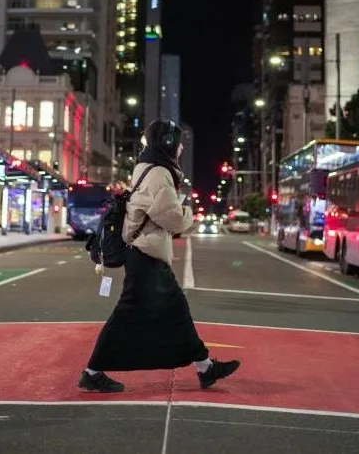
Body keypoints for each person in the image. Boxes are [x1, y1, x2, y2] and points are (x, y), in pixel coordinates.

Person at [78, 120, 241, 393]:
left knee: (176, 311)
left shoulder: (148, 168)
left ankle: (205, 368)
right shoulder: (159, 174)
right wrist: (189, 213)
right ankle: (92, 372)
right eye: (177, 144)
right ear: (167, 144)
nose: (179, 149)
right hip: (145, 255)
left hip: (146, 254)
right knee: (127, 314)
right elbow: (173, 219)